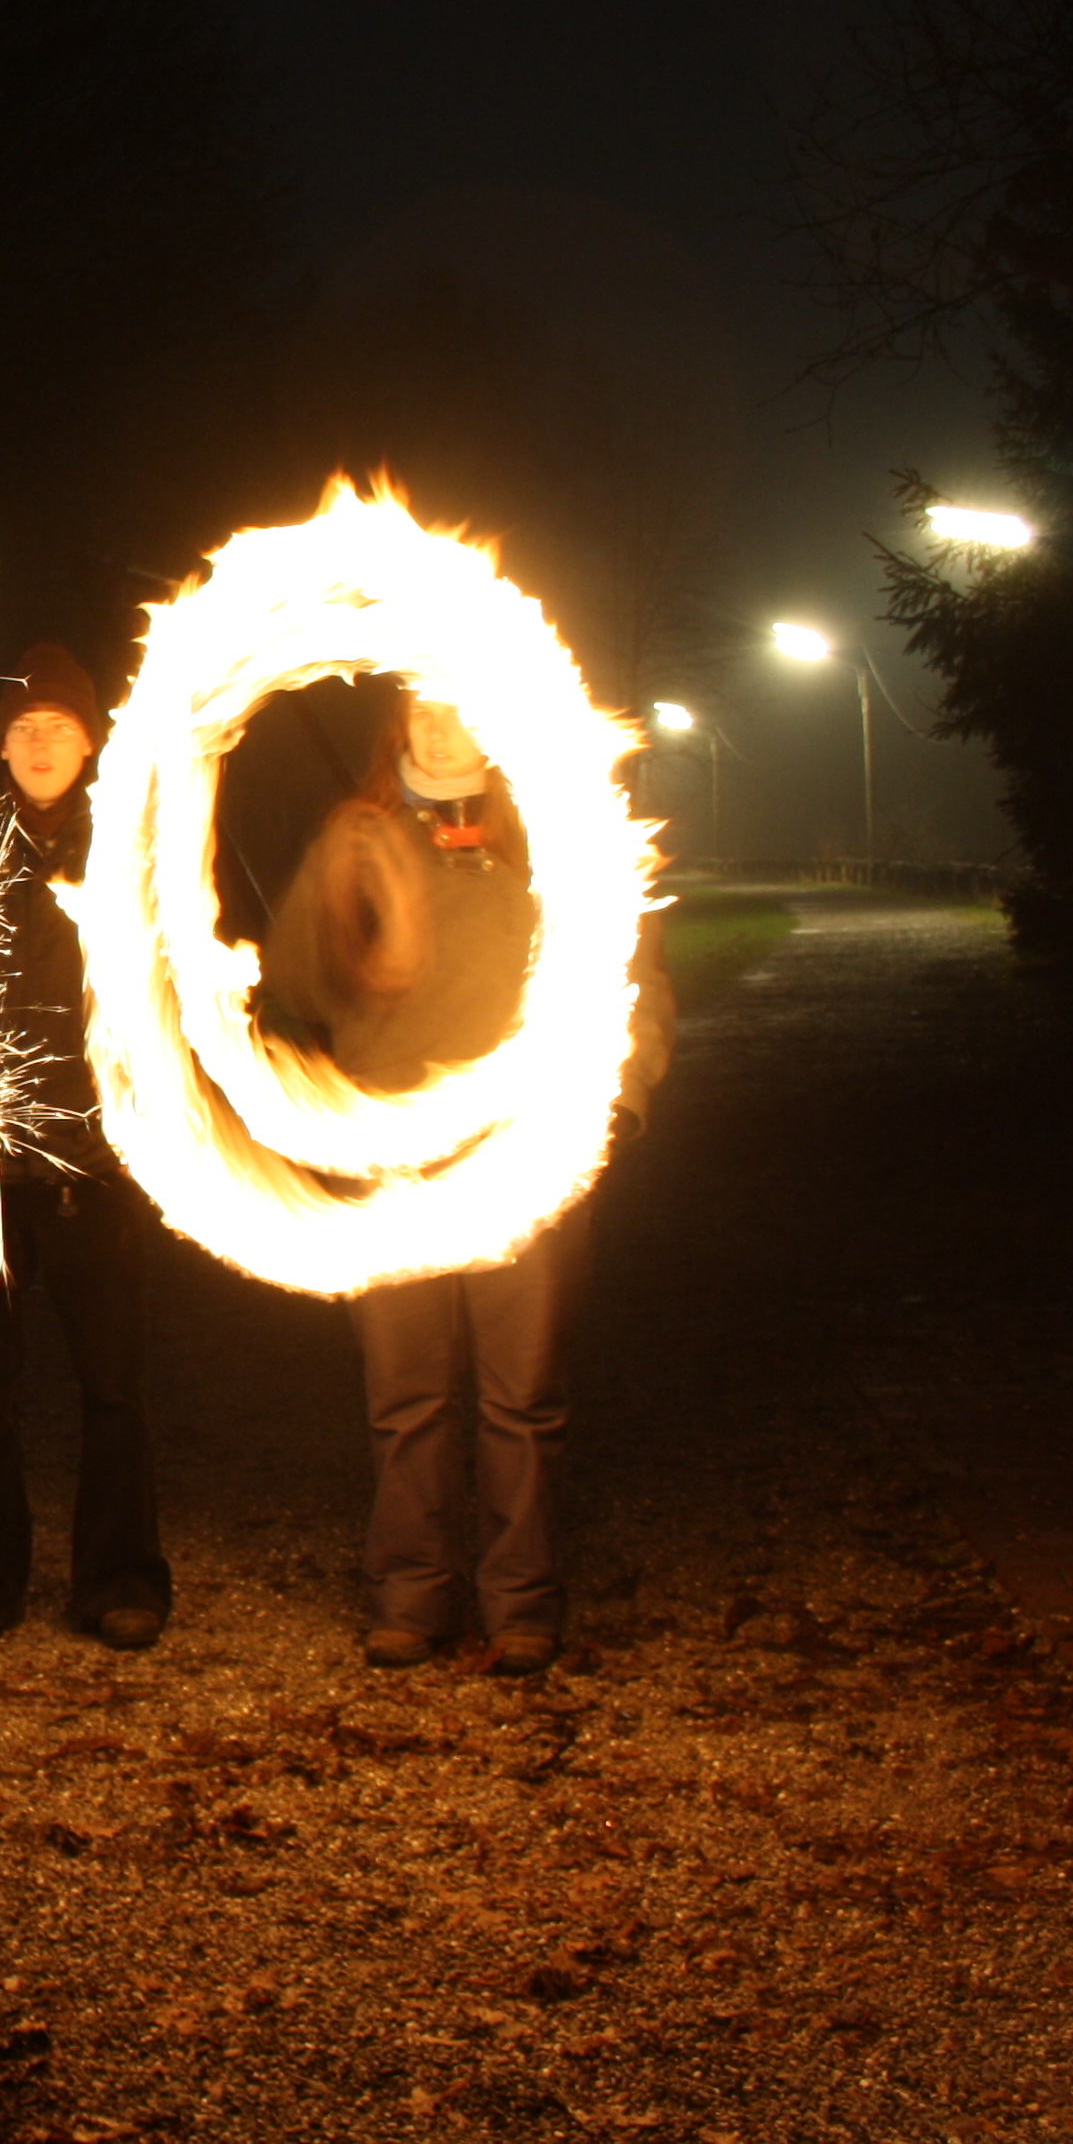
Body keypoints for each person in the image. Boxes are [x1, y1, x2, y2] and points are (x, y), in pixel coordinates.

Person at [264, 691, 673, 1676]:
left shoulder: (561, 843)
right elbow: (295, 987)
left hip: (525, 1152)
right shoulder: (362, 840)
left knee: (521, 1396)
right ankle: (410, 1596)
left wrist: (615, 1104)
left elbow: (639, 987)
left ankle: (521, 1602)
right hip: (394, 1156)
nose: (441, 731)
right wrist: (342, 899)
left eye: (461, 710)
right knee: (407, 1395)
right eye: (423, 714)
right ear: (398, 730)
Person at [0, 643, 175, 1653]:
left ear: (90, 744)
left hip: (97, 1163)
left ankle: (120, 1578)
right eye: (23, 728)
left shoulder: (133, 847)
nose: (39, 745)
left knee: (113, 1385)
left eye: (59, 728)